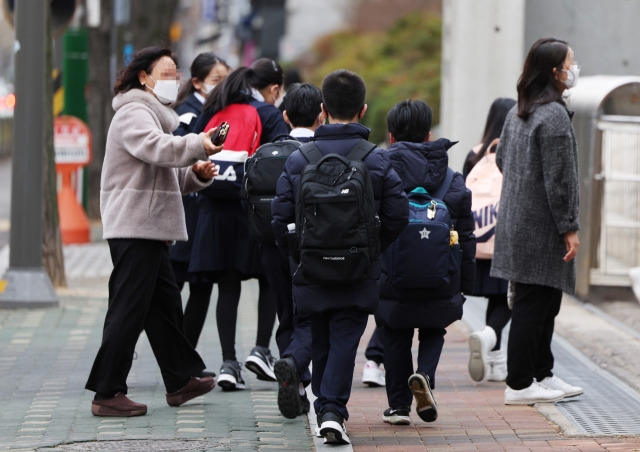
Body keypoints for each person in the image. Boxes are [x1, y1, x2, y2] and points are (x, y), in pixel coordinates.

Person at [271, 70, 408, 444]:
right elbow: (398, 215)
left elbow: (279, 218)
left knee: (318, 338)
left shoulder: (301, 159)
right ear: (363, 110)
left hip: (311, 268)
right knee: (346, 338)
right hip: (358, 268)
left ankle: (325, 406)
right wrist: (372, 247)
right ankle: (331, 410)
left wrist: (299, 254)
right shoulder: (375, 159)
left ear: (322, 109)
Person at [85, 46, 223, 417]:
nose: (172, 80)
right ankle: (107, 391)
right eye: (165, 73)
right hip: (135, 226)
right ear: (143, 78)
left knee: (163, 308)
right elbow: (157, 149)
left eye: (174, 74)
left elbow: (168, 172)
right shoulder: (133, 113)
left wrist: (196, 174)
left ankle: (181, 379)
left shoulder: (157, 117)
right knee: (128, 309)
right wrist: (196, 145)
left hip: (149, 227)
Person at [491, 37, 583, 405]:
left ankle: (541, 373)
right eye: (570, 64)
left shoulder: (520, 111)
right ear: (553, 71)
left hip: (518, 220)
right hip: (542, 226)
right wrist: (570, 227)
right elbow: (560, 181)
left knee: (543, 300)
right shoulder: (554, 115)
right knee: (536, 303)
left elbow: (501, 161)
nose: (574, 70)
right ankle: (519, 383)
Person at [189, 58, 289, 390]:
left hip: (214, 210)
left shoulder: (212, 109)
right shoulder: (268, 114)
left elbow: (193, 151)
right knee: (268, 281)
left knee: (227, 286)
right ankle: (261, 349)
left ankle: (228, 363)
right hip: (254, 210)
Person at [375, 99, 476, 425]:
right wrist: (467, 282)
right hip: (441, 276)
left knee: (394, 334)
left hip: (392, 275)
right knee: (434, 327)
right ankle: (426, 376)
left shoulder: (379, 173)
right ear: (430, 135)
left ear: (391, 137)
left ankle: (399, 407)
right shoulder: (452, 179)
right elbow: (466, 235)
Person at [270, 83, 324, 419]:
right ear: (322, 114)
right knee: (314, 317)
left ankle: (296, 382)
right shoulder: (322, 152)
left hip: (276, 248)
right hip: (317, 248)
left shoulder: (272, 151)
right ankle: (308, 381)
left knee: (287, 317)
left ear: (285, 116)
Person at [170, 53, 230, 349]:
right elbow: (175, 152)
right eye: (216, 81)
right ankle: (125, 351)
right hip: (186, 214)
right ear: (197, 82)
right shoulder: (187, 112)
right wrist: (194, 166)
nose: (222, 87)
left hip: (207, 215)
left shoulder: (224, 110)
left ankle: (185, 355)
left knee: (202, 286)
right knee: (171, 288)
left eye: (226, 81)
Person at [463, 97, 516, 383]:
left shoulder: (474, 156)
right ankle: (488, 336)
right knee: (507, 300)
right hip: (504, 244)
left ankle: (496, 362)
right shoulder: (514, 155)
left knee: (494, 300)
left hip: (476, 244)